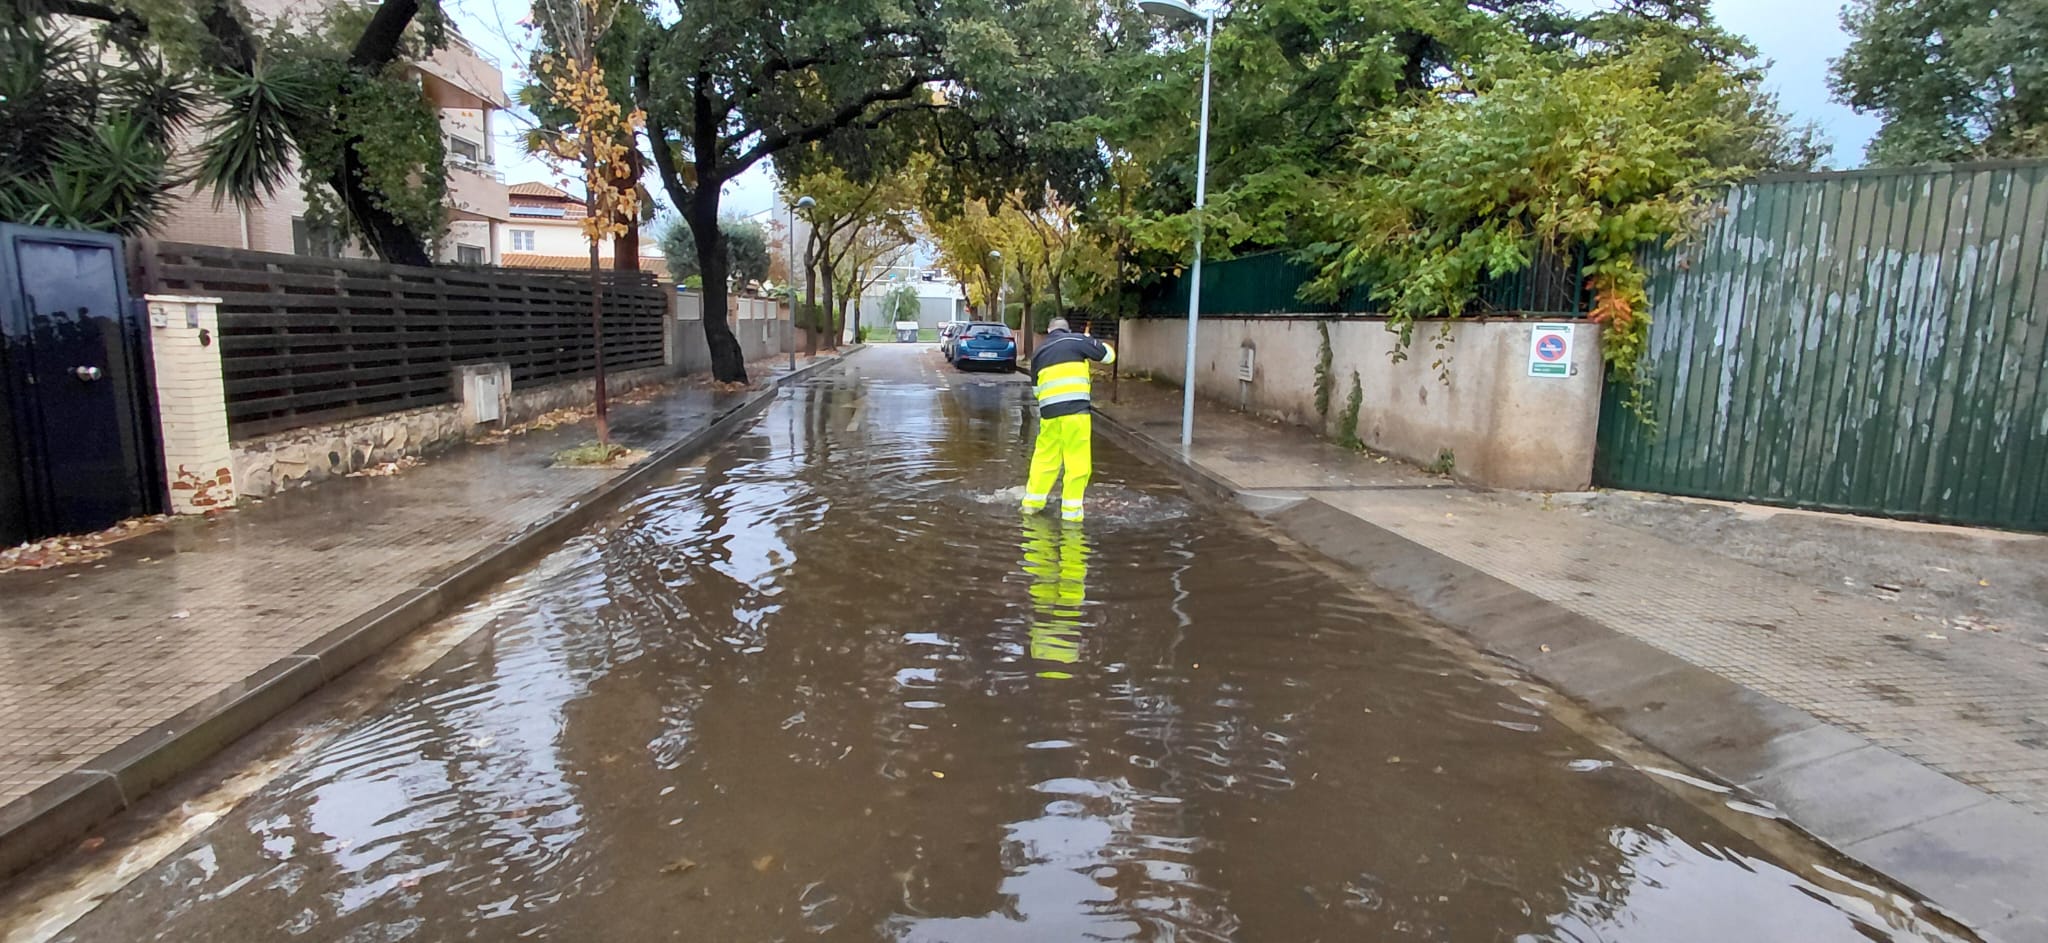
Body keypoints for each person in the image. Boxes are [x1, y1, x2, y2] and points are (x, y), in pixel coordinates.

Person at [1022, 318, 1115, 522]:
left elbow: (1037, 390)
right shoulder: (1078, 340)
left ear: (1048, 331)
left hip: (1049, 414)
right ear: (1067, 329)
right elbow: (1109, 356)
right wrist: (1091, 341)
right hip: (1076, 412)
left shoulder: (1039, 352)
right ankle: (1071, 513)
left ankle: (1031, 504)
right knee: (1077, 460)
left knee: (1045, 459)